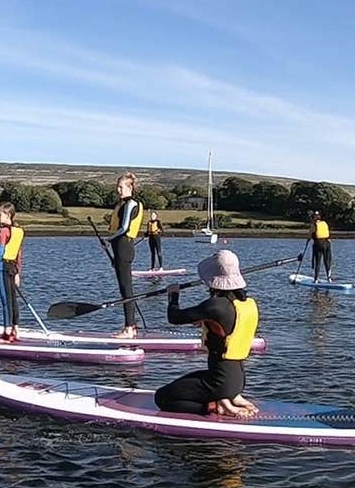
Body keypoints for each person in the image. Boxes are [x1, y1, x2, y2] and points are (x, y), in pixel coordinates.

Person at [154, 250, 259, 418]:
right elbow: (226, 327)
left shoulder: (214, 306)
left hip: (219, 381)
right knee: (185, 381)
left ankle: (215, 406)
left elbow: (174, 317)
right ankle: (229, 398)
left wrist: (173, 295)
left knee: (162, 397)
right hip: (238, 379)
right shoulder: (246, 303)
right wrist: (204, 321)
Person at [101, 172, 143, 338]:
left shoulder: (131, 204)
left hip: (124, 246)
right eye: (117, 187)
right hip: (119, 246)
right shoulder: (123, 204)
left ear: (130, 187)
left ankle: (129, 328)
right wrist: (110, 241)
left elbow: (124, 227)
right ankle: (131, 326)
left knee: (126, 289)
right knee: (124, 289)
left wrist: (108, 239)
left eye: (121, 187)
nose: (118, 190)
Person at [0, 202, 24, 342]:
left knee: (5, 302)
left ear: (8, 215)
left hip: (2, 267)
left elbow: (0, 252)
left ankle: (7, 334)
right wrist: (18, 272)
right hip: (13, 268)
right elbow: (18, 253)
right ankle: (15, 330)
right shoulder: (19, 231)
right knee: (13, 300)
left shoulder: (3, 231)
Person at [310, 211, 334, 282]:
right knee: (327, 261)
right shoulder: (324, 223)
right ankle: (329, 278)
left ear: (313, 218)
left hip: (319, 244)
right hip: (327, 243)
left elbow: (309, 235)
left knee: (317, 261)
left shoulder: (313, 225)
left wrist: (308, 239)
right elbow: (327, 234)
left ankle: (316, 279)